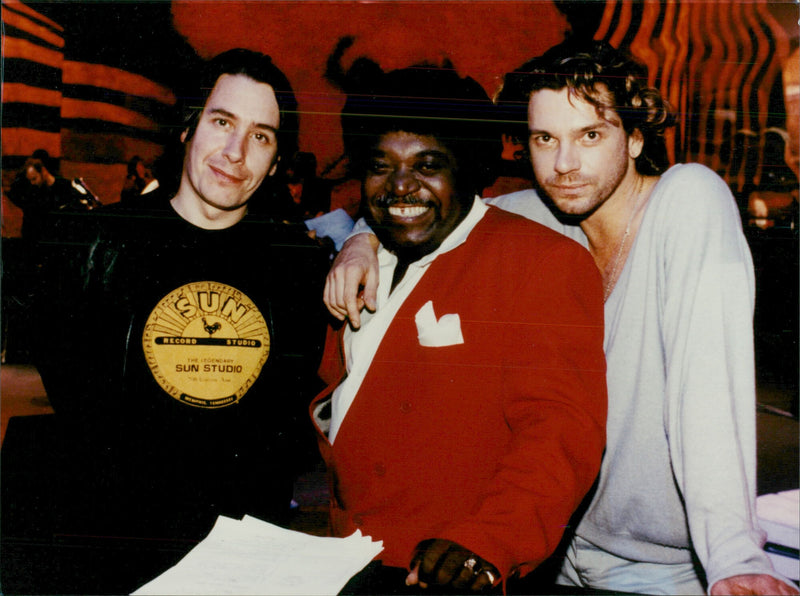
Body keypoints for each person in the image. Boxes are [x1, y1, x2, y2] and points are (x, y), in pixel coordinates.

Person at [324, 40, 799, 596]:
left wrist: (734, 555)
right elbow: (422, 208)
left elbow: (707, 389)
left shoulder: (687, 199)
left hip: (667, 565)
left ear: (637, 136)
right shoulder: (542, 213)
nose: (564, 164)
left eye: (590, 136)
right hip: (562, 554)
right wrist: (356, 242)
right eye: (544, 139)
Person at [310, 61, 607, 593]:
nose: (401, 187)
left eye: (428, 165)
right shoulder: (362, 259)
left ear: (468, 168)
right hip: (346, 561)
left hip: (451, 570)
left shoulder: (540, 262)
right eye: (381, 166)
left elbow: (561, 432)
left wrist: (490, 540)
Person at [31, 49, 329, 546]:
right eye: (221, 122)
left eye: (260, 136)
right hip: (113, 536)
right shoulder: (94, 246)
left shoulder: (297, 265)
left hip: (242, 543)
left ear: (276, 163)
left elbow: (286, 416)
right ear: (187, 129)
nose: (236, 151)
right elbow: (72, 394)